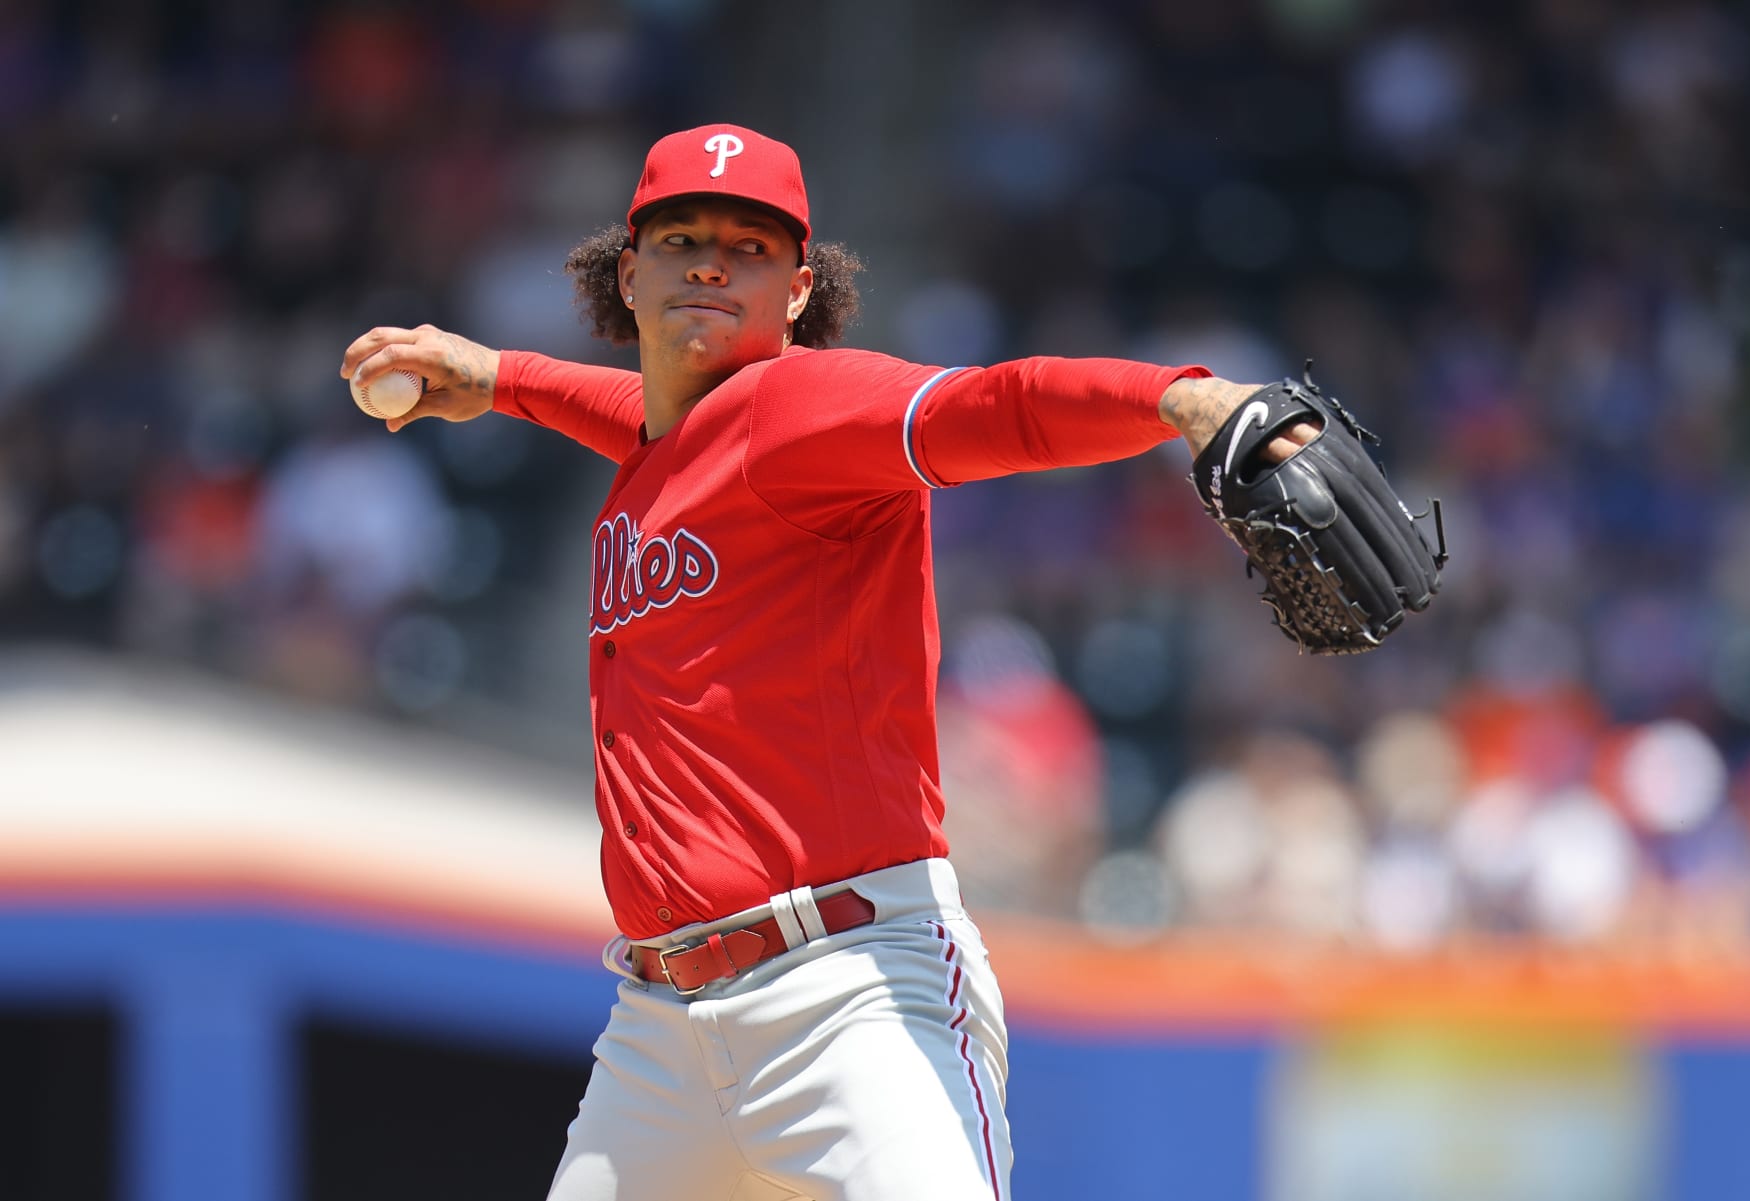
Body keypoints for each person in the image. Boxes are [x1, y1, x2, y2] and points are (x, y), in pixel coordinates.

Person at [340, 122, 1310, 1201]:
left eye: (748, 248)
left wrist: (1179, 398)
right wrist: (503, 377)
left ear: (799, 291)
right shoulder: (671, 441)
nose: (710, 261)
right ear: (629, 271)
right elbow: (637, 414)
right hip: (659, 1030)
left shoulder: (805, 410)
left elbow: (993, 404)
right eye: (681, 237)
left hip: (848, 991)